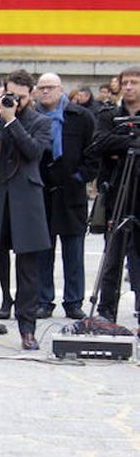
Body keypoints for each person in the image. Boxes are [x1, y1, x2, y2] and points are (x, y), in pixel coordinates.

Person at [0, 70, 52, 350]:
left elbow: (33, 152)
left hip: (25, 200)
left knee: (28, 270)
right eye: (10, 95)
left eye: (19, 96)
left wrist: (12, 121)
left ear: (30, 95)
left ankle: (27, 329)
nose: (13, 100)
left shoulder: (40, 121)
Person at [35, 72, 96, 319]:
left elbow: (93, 153)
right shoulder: (32, 117)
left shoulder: (81, 117)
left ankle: (73, 301)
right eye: (42, 87)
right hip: (42, 192)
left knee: (74, 252)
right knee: (43, 251)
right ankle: (43, 300)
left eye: (51, 87)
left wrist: (80, 177)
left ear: (61, 89)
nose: (46, 91)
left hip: (72, 193)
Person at [88, 66, 140, 323]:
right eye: (125, 82)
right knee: (113, 257)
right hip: (116, 193)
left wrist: (118, 144)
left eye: (134, 82)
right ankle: (106, 312)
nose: (129, 87)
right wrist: (130, 142)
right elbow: (99, 144)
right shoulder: (109, 114)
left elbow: (110, 144)